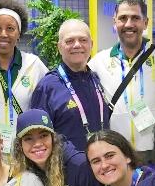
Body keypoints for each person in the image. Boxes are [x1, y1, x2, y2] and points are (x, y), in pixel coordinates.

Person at [89, 0, 155, 160]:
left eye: (135, 18)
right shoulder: (100, 61)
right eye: (123, 18)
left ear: (145, 22)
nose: (129, 24)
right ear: (115, 21)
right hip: (117, 151)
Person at [0, 0, 49, 145]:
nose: (3, 34)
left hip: (27, 147)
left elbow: (47, 106)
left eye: (10, 28)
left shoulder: (34, 65)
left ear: (19, 33)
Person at [30, 19, 111, 151]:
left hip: (101, 166)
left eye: (83, 40)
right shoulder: (47, 87)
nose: (77, 45)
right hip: (66, 169)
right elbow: (38, 138)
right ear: (59, 47)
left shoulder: (96, 80)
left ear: (91, 44)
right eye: (69, 41)